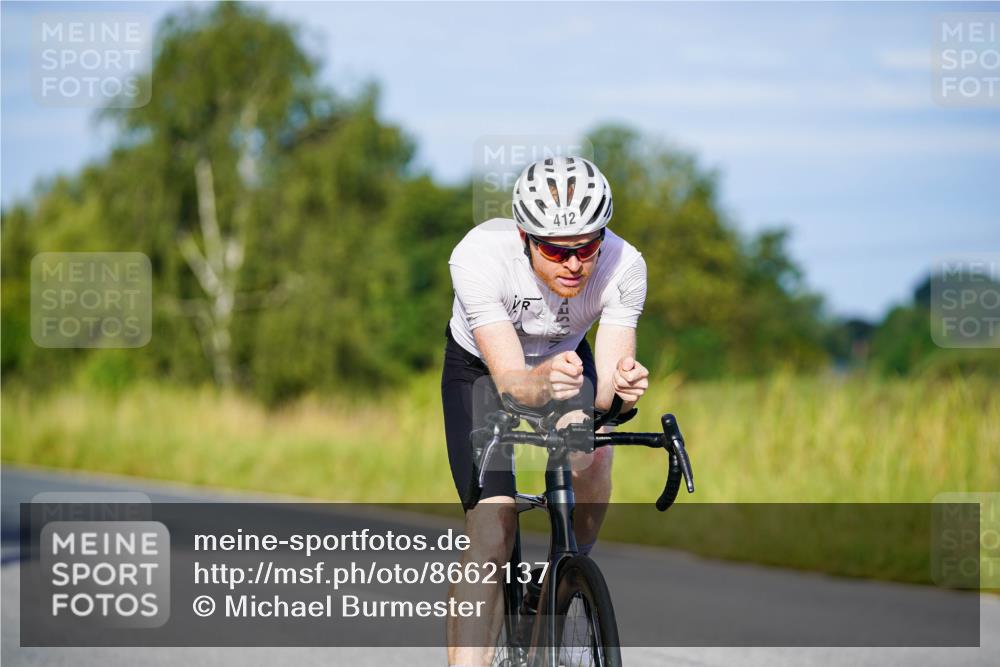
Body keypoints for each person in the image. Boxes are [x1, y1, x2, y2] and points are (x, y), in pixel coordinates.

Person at [441, 156, 649, 666]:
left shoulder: (625, 265)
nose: (575, 265)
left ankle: (559, 581)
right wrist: (542, 383)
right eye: (557, 250)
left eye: (587, 248)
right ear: (525, 237)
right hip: (484, 369)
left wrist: (623, 389)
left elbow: (605, 398)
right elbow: (512, 384)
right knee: (494, 529)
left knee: (594, 461)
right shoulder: (478, 257)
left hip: (567, 363)